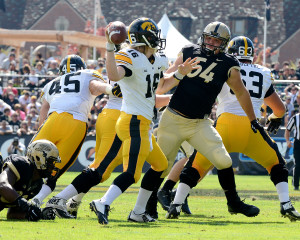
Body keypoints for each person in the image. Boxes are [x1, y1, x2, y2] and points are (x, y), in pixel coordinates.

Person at [163, 36, 300, 222]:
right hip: (251, 126)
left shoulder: (224, 65)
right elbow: (280, 109)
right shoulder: (264, 72)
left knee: (196, 164)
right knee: (277, 165)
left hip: (225, 124)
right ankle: (286, 205)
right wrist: (273, 118)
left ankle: (176, 205)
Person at [87, 17, 199, 225]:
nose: (156, 39)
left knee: (160, 165)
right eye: (152, 35)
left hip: (144, 123)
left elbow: (162, 86)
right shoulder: (128, 56)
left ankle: (138, 211)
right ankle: (103, 202)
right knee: (132, 173)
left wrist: (180, 74)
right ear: (141, 38)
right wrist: (110, 48)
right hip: (133, 121)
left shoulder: (158, 59)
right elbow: (114, 75)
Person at [146, 22, 261, 219]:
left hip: (200, 123)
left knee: (223, 160)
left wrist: (253, 119)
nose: (210, 43)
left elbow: (241, 93)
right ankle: (148, 206)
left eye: (216, 40)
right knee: (161, 166)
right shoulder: (189, 51)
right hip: (173, 118)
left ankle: (233, 202)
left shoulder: (228, 64)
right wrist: (178, 73)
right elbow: (163, 85)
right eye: (208, 38)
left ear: (223, 43)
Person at [28, 54, 120, 211]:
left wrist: (40, 132)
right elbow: (94, 86)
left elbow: (43, 111)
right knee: (54, 170)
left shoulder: (52, 83)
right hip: (75, 121)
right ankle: (37, 200)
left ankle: (13, 194)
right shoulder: (86, 74)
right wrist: (109, 89)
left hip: (51, 121)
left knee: (29, 163)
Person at [0, 139, 60, 221]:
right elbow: (2, 184)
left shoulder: (37, 185)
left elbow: (12, 214)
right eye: (50, 161)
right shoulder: (21, 164)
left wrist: (33, 213)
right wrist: (22, 202)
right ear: (38, 158)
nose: (52, 167)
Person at [285, 113, 300, 191]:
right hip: (298, 143)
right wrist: (288, 141)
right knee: (297, 165)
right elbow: (287, 130)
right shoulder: (295, 118)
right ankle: (296, 184)